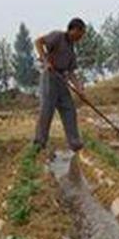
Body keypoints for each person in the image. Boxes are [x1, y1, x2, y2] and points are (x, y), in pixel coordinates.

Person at [33, 17, 86, 152]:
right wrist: (46, 61)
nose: (80, 38)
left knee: (69, 109)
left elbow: (72, 72)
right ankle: (39, 142)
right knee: (47, 110)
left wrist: (79, 89)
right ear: (72, 30)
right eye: (79, 34)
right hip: (50, 77)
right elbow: (38, 42)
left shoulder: (71, 49)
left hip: (62, 79)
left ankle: (74, 142)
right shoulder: (57, 36)